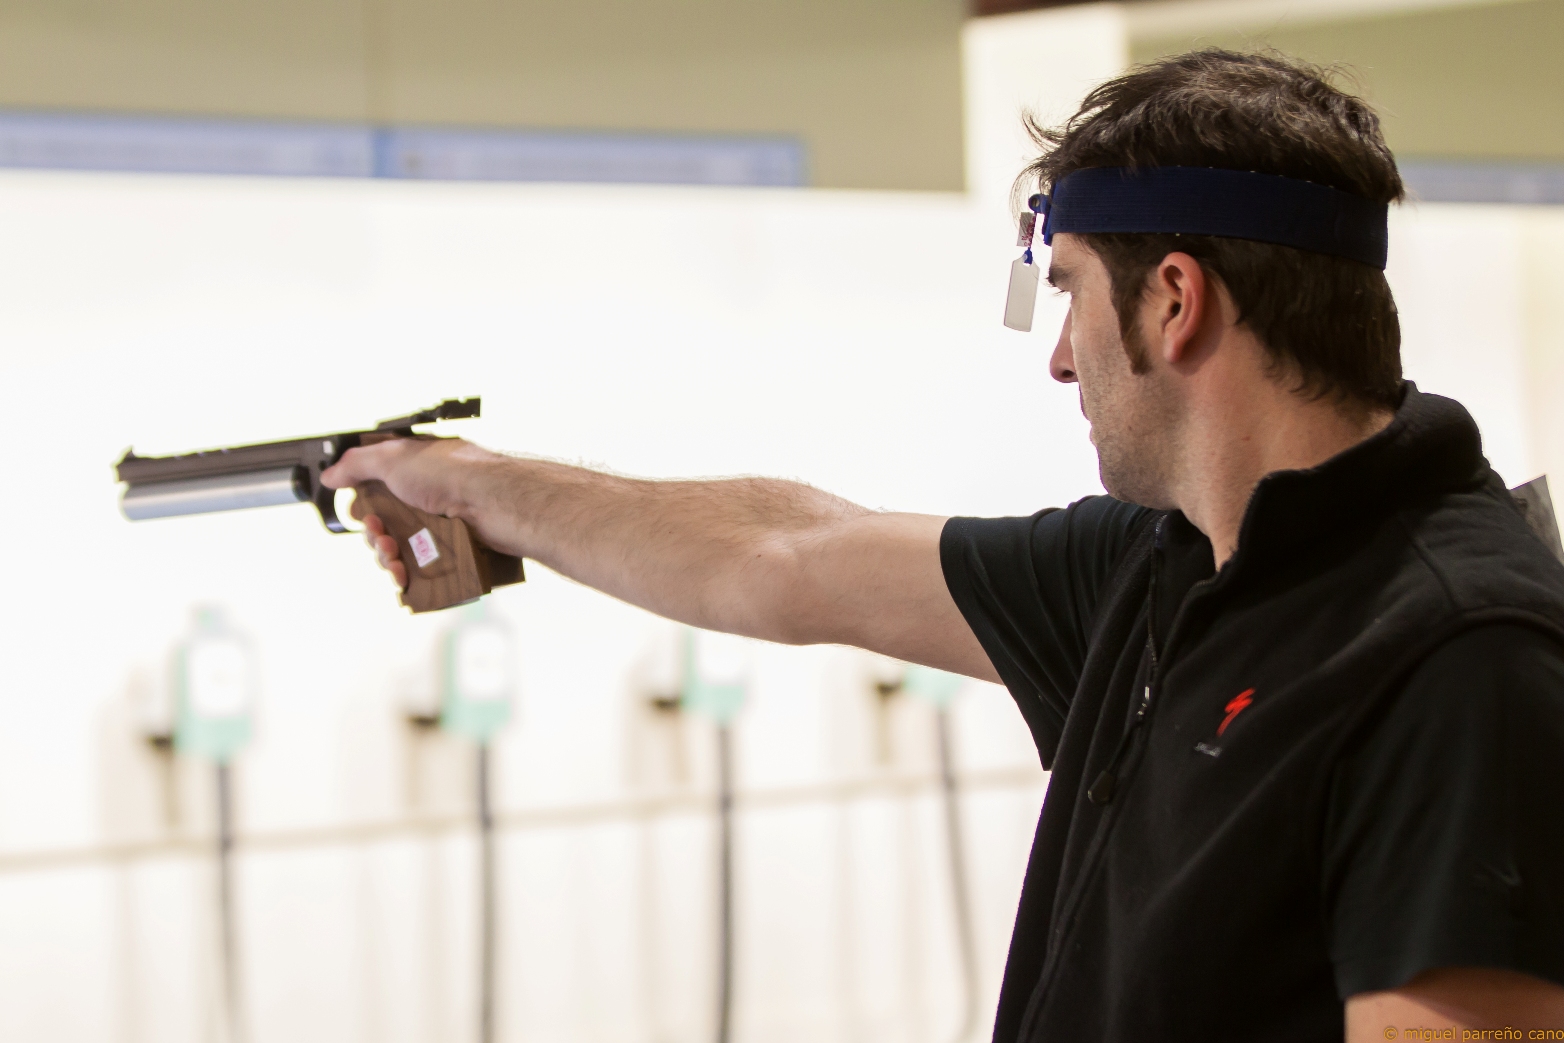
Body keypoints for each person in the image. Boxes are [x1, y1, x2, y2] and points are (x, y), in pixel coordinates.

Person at [323, 50, 1564, 1040]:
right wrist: (467, 484)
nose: (1061, 357)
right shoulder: (1163, 570)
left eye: (1069, 290)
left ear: (1175, 301)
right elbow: (785, 554)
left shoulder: (1459, 656)